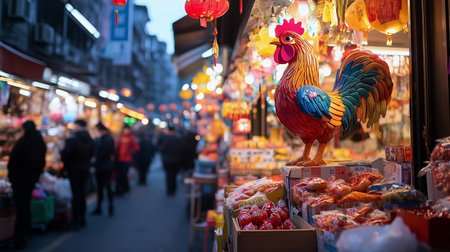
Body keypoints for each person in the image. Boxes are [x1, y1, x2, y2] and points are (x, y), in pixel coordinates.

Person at [7, 121, 46, 248]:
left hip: (20, 180)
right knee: (26, 205)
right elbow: (41, 162)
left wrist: (11, 177)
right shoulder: (40, 142)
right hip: (31, 179)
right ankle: (28, 232)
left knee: (21, 208)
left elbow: (13, 162)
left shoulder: (22, 144)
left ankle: (20, 238)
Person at [61, 119, 94, 229]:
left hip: (74, 170)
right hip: (85, 169)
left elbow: (66, 154)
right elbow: (92, 154)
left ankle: (76, 220)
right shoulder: (90, 139)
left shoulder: (73, 139)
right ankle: (83, 218)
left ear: (78, 126)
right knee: (82, 193)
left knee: (76, 194)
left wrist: (66, 166)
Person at [91, 123, 115, 216]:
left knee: (103, 187)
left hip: (102, 166)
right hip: (106, 165)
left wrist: (95, 159)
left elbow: (101, 153)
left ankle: (102, 207)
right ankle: (108, 206)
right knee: (106, 186)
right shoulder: (107, 139)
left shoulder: (104, 140)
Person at [158, 123, 183, 196]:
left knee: (168, 175)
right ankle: (173, 189)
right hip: (175, 160)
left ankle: (169, 190)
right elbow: (180, 149)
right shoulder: (177, 138)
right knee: (174, 175)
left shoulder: (165, 138)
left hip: (167, 160)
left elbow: (161, 148)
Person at [115, 125, 139, 195]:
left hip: (127, 160)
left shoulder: (131, 138)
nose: (126, 131)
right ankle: (120, 189)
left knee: (124, 175)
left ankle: (124, 189)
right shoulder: (120, 137)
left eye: (128, 129)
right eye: (125, 129)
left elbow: (136, 148)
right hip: (119, 159)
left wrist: (131, 152)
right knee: (119, 175)